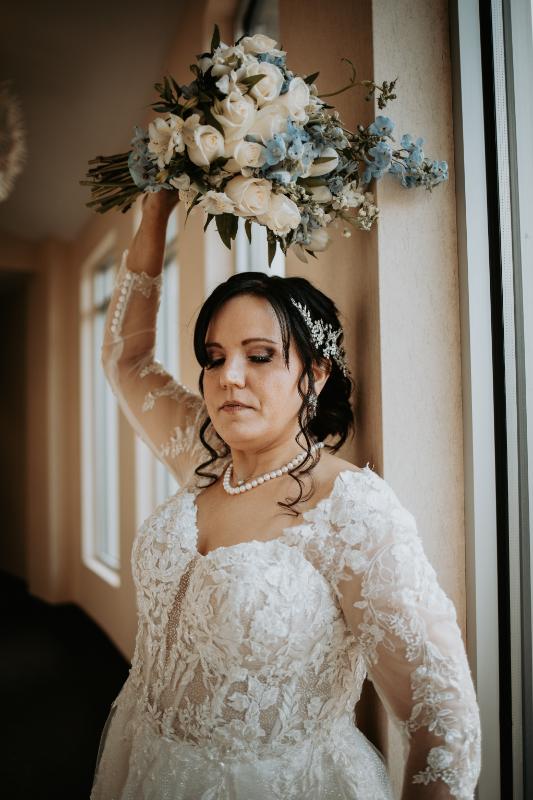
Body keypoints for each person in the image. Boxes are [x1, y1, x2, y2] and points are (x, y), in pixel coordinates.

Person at [90, 189, 481, 800]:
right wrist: (156, 213)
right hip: (146, 771)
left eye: (260, 356)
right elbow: (126, 358)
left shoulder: (352, 509)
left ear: (315, 373)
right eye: (214, 358)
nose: (229, 377)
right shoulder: (204, 454)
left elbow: (442, 712)